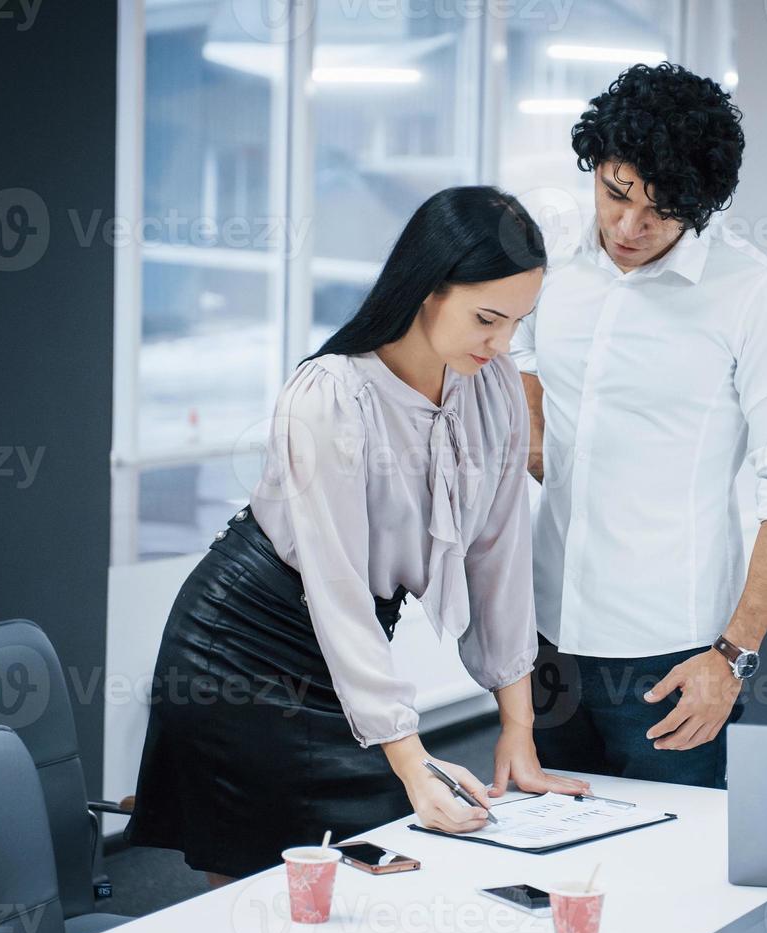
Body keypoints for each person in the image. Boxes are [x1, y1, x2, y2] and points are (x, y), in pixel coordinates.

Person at [126, 186, 589, 886]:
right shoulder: (331, 396)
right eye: (486, 319)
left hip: (349, 642)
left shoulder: (491, 387)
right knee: (280, 881)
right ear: (426, 290)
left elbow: (499, 559)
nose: (500, 345)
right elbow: (337, 588)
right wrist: (410, 757)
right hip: (243, 649)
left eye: (516, 324)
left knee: (380, 864)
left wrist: (518, 731)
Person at [512, 63, 767, 790]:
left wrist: (734, 655)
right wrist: (532, 416)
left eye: (661, 210)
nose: (629, 227)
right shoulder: (551, 256)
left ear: (704, 204)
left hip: (672, 654)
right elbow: (516, 338)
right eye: (615, 194)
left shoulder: (756, 294)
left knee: (665, 876)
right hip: (544, 636)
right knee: (543, 863)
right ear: (594, 167)